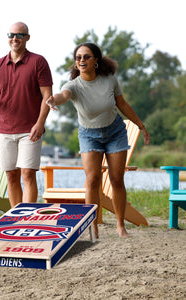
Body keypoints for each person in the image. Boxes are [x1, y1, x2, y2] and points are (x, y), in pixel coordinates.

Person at [46, 43, 150, 238]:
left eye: (86, 57)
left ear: (95, 60)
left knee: (116, 179)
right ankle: (92, 227)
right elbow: (63, 96)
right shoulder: (73, 85)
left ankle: (120, 226)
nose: (82, 60)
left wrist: (140, 125)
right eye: (78, 58)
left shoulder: (109, 80)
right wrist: (53, 100)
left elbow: (122, 104)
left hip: (115, 132)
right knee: (92, 179)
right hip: (89, 135)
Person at [0, 22, 53, 208]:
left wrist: (40, 123)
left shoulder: (38, 62)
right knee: (11, 175)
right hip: (5, 130)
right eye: (11, 34)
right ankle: (16, 218)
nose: (15, 38)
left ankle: (28, 218)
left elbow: (47, 96)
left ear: (27, 37)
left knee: (27, 173)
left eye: (20, 35)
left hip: (30, 129)